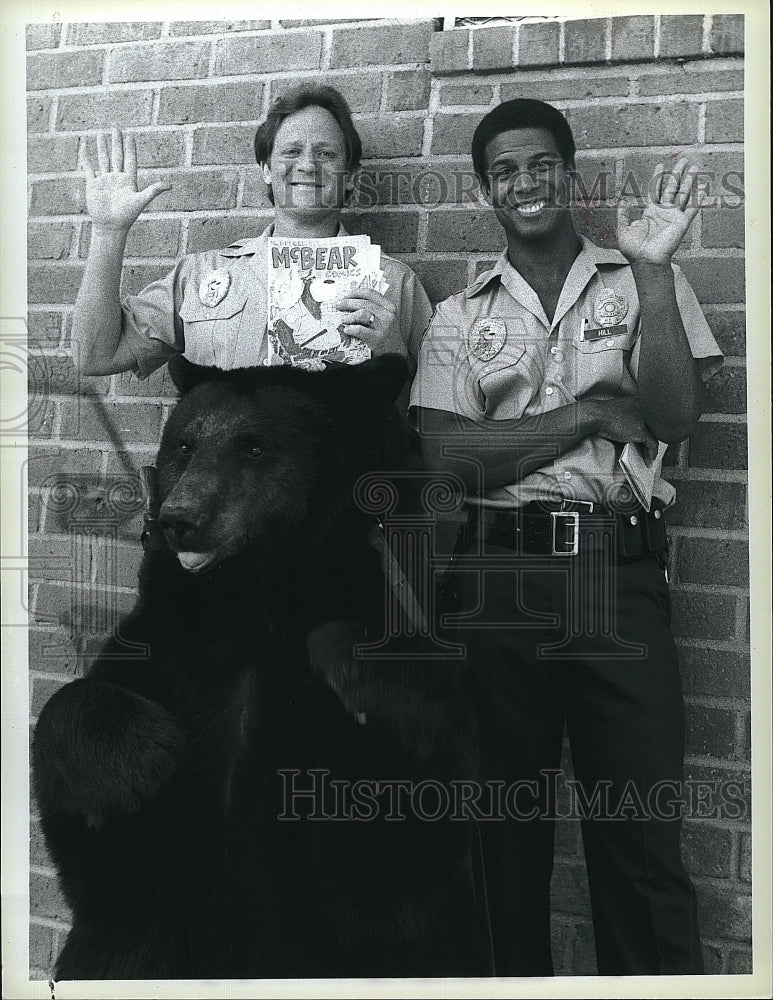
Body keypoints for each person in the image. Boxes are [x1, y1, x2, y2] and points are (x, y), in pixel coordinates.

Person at [409, 98, 723, 976]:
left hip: (612, 571)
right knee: (499, 834)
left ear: (568, 171)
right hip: (498, 575)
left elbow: (670, 413)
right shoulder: (460, 315)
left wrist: (655, 272)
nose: (524, 182)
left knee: (638, 832)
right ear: (484, 190)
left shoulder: (642, 280)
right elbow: (446, 462)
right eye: (503, 170)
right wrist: (589, 412)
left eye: (539, 163)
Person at [72, 84, 432, 382]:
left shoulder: (396, 283)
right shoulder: (200, 275)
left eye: (326, 153)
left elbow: (431, 417)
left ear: (351, 176)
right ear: (265, 169)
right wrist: (108, 232)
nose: (307, 165)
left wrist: (391, 354)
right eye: (291, 151)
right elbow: (97, 357)